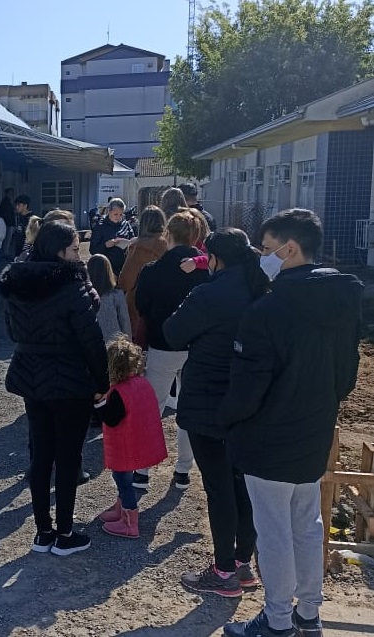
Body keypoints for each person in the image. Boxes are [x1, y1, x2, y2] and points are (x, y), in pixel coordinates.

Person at [220, 210, 363, 637]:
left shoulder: (268, 309)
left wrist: (227, 420)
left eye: (266, 249)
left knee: (274, 533)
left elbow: (247, 388)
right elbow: (346, 377)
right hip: (314, 433)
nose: (262, 256)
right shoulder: (343, 303)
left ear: (290, 249)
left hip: (267, 440)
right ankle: (308, 614)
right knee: (307, 525)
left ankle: (278, 619)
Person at [162, 228, 269, 598]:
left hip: (208, 401)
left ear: (215, 259)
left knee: (218, 487)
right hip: (249, 400)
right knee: (242, 483)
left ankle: (222, 571)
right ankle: (242, 563)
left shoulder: (208, 293)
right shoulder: (260, 289)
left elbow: (173, 333)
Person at [0, 221, 109, 556]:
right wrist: (102, 382)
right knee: (68, 457)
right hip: (70, 379)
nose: (79, 255)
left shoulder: (15, 282)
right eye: (75, 249)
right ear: (59, 251)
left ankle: (43, 533)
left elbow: (11, 331)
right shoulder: (72, 285)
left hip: (31, 378)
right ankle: (65, 534)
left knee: (41, 455)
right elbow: (91, 339)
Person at [133, 211, 208, 490]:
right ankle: (183, 470)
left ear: (168, 233)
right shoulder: (205, 270)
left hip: (161, 344)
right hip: (196, 347)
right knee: (188, 410)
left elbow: (142, 305)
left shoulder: (152, 270)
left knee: (152, 408)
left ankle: (142, 471)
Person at [94, 336, 167, 538]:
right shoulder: (142, 384)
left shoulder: (118, 392)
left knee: (123, 482)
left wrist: (99, 403)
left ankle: (129, 522)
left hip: (123, 447)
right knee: (126, 480)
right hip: (137, 442)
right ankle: (121, 509)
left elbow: (111, 419)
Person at [117, 205, 168, 340]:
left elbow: (126, 282)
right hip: (164, 304)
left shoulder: (137, 247)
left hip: (138, 308)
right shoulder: (169, 245)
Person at [87, 254, 131, 341]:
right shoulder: (116, 294)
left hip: (92, 342)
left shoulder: (84, 296)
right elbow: (124, 321)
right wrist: (129, 343)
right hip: (114, 343)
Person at [88, 198, 136, 276]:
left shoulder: (126, 224)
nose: (118, 217)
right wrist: (105, 245)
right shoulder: (100, 226)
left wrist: (131, 243)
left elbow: (132, 240)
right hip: (106, 270)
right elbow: (92, 250)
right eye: (115, 214)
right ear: (109, 212)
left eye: (121, 214)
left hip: (124, 268)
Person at [11, 194, 33, 259]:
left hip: (27, 255)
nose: (16, 207)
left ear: (25, 205)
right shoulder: (19, 217)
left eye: (19, 205)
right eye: (16, 205)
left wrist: (24, 254)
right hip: (18, 253)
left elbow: (31, 239)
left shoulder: (31, 219)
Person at [0, 188, 16, 259]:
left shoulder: (7, 201)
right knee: (7, 238)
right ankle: (5, 253)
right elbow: (7, 213)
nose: (11, 194)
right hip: (8, 222)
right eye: (10, 193)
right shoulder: (6, 201)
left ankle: (5, 252)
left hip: (8, 222)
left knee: (7, 238)